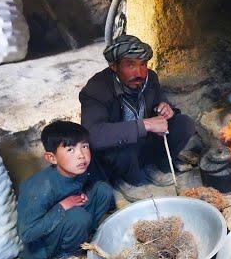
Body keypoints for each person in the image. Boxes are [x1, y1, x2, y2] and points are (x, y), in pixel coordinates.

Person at [79, 35, 198, 202]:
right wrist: (144, 124)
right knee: (122, 146)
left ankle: (154, 165)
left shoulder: (150, 78)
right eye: (130, 65)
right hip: (120, 153)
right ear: (114, 66)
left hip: (144, 144)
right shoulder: (97, 89)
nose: (140, 73)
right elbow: (92, 135)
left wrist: (166, 109)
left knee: (184, 124)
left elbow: (161, 104)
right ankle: (125, 179)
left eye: (143, 64)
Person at [17, 121, 114, 259]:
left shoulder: (77, 170)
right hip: (42, 242)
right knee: (78, 216)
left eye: (85, 146)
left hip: (66, 219)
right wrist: (62, 206)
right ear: (52, 158)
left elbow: (77, 189)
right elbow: (27, 234)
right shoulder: (41, 188)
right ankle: (64, 256)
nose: (81, 155)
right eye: (70, 149)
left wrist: (81, 196)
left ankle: (85, 237)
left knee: (102, 190)